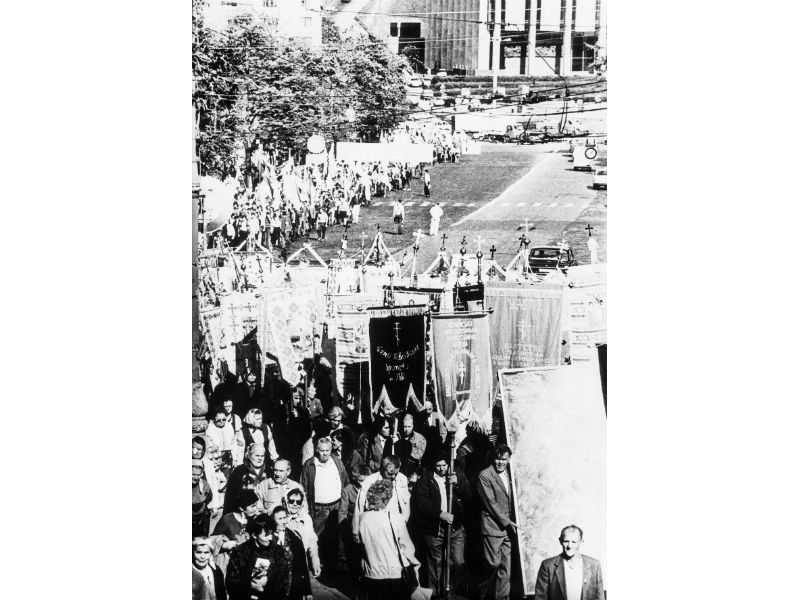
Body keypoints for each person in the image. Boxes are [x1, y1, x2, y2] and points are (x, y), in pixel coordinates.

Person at [412, 452, 472, 595]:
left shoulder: (457, 475)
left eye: (444, 465)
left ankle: (449, 592)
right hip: (434, 528)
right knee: (436, 563)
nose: (441, 469)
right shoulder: (426, 479)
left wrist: (457, 484)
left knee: (457, 561)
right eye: (438, 466)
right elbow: (422, 503)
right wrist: (440, 514)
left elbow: (469, 497)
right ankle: (437, 594)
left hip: (455, 528)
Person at [359, 479, 422, 600]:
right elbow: (406, 546)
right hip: (394, 574)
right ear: (387, 499)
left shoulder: (363, 519)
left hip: (372, 573)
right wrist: (415, 565)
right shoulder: (395, 518)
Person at [300, 436, 348, 575]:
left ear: (331, 449)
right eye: (322, 451)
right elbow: (303, 488)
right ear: (316, 450)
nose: (325, 453)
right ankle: (315, 565)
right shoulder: (309, 465)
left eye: (327, 450)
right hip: (318, 508)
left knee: (335, 538)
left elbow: (345, 480)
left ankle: (333, 566)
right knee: (317, 537)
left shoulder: (337, 462)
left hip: (336, 506)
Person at [476, 444, 516, 600]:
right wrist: (508, 521)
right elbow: (491, 503)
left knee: (506, 567)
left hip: (509, 528)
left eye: (504, 459)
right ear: (493, 458)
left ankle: (502, 597)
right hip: (493, 526)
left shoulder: (511, 474)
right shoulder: (485, 475)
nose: (500, 462)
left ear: (509, 459)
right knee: (493, 564)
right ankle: (482, 589)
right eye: (498, 458)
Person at [226, 514, 292, 600]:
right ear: (254, 535)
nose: (270, 538)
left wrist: (267, 582)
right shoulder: (239, 552)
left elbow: (284, 582)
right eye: (266, 535)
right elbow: (231, 583)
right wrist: (250, 585)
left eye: (271, 533)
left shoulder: (278, 551)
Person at [533, 525, 604, 600]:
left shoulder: (594, 565)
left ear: (581, 542)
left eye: (574, 542)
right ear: (560, 541)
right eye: (566, 541)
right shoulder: (547, 566)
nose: (569, 546)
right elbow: (540, 597)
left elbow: (599, 597)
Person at [353, 456, 411, 543]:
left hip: (397, 525)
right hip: (376, 527)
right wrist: (355, 531)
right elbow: (359, 507)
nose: (394, 476)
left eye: (396, 473)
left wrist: (403, 522)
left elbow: (406, 503)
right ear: (382, 469)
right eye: (390, 474)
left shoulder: (402, 479)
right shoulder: (370, 481)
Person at [272, 505, 319, 600]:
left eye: (285, 517)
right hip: (274, 588)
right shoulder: (267, 538)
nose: (283, 521)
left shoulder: (295, 537)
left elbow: (303, 566)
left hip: (293, 586)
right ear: (273, 520)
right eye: (279, 518)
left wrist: (307, 591)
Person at [223, 444, 270, 514]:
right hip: (244, 511)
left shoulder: (269, 471)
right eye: (257, 455)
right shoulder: (239, 471)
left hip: (264, 510)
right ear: (250, 456)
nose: (260, 458)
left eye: (262, 456)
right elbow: (230, 495)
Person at [206, 407, 238, 477]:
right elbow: (209, 445)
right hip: (216, 458)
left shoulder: (229, 426)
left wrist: (235, 459)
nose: (221, 421)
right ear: (214, 419)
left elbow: (233, 443)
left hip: (228, 457)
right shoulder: (210, 428)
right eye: (219, 420)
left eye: (224, 419)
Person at [193, 458, 214, 537]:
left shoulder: (204, 484)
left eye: (198, 475)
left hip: (201, 519)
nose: (196, 477)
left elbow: (209, 497)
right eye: (193, 474)